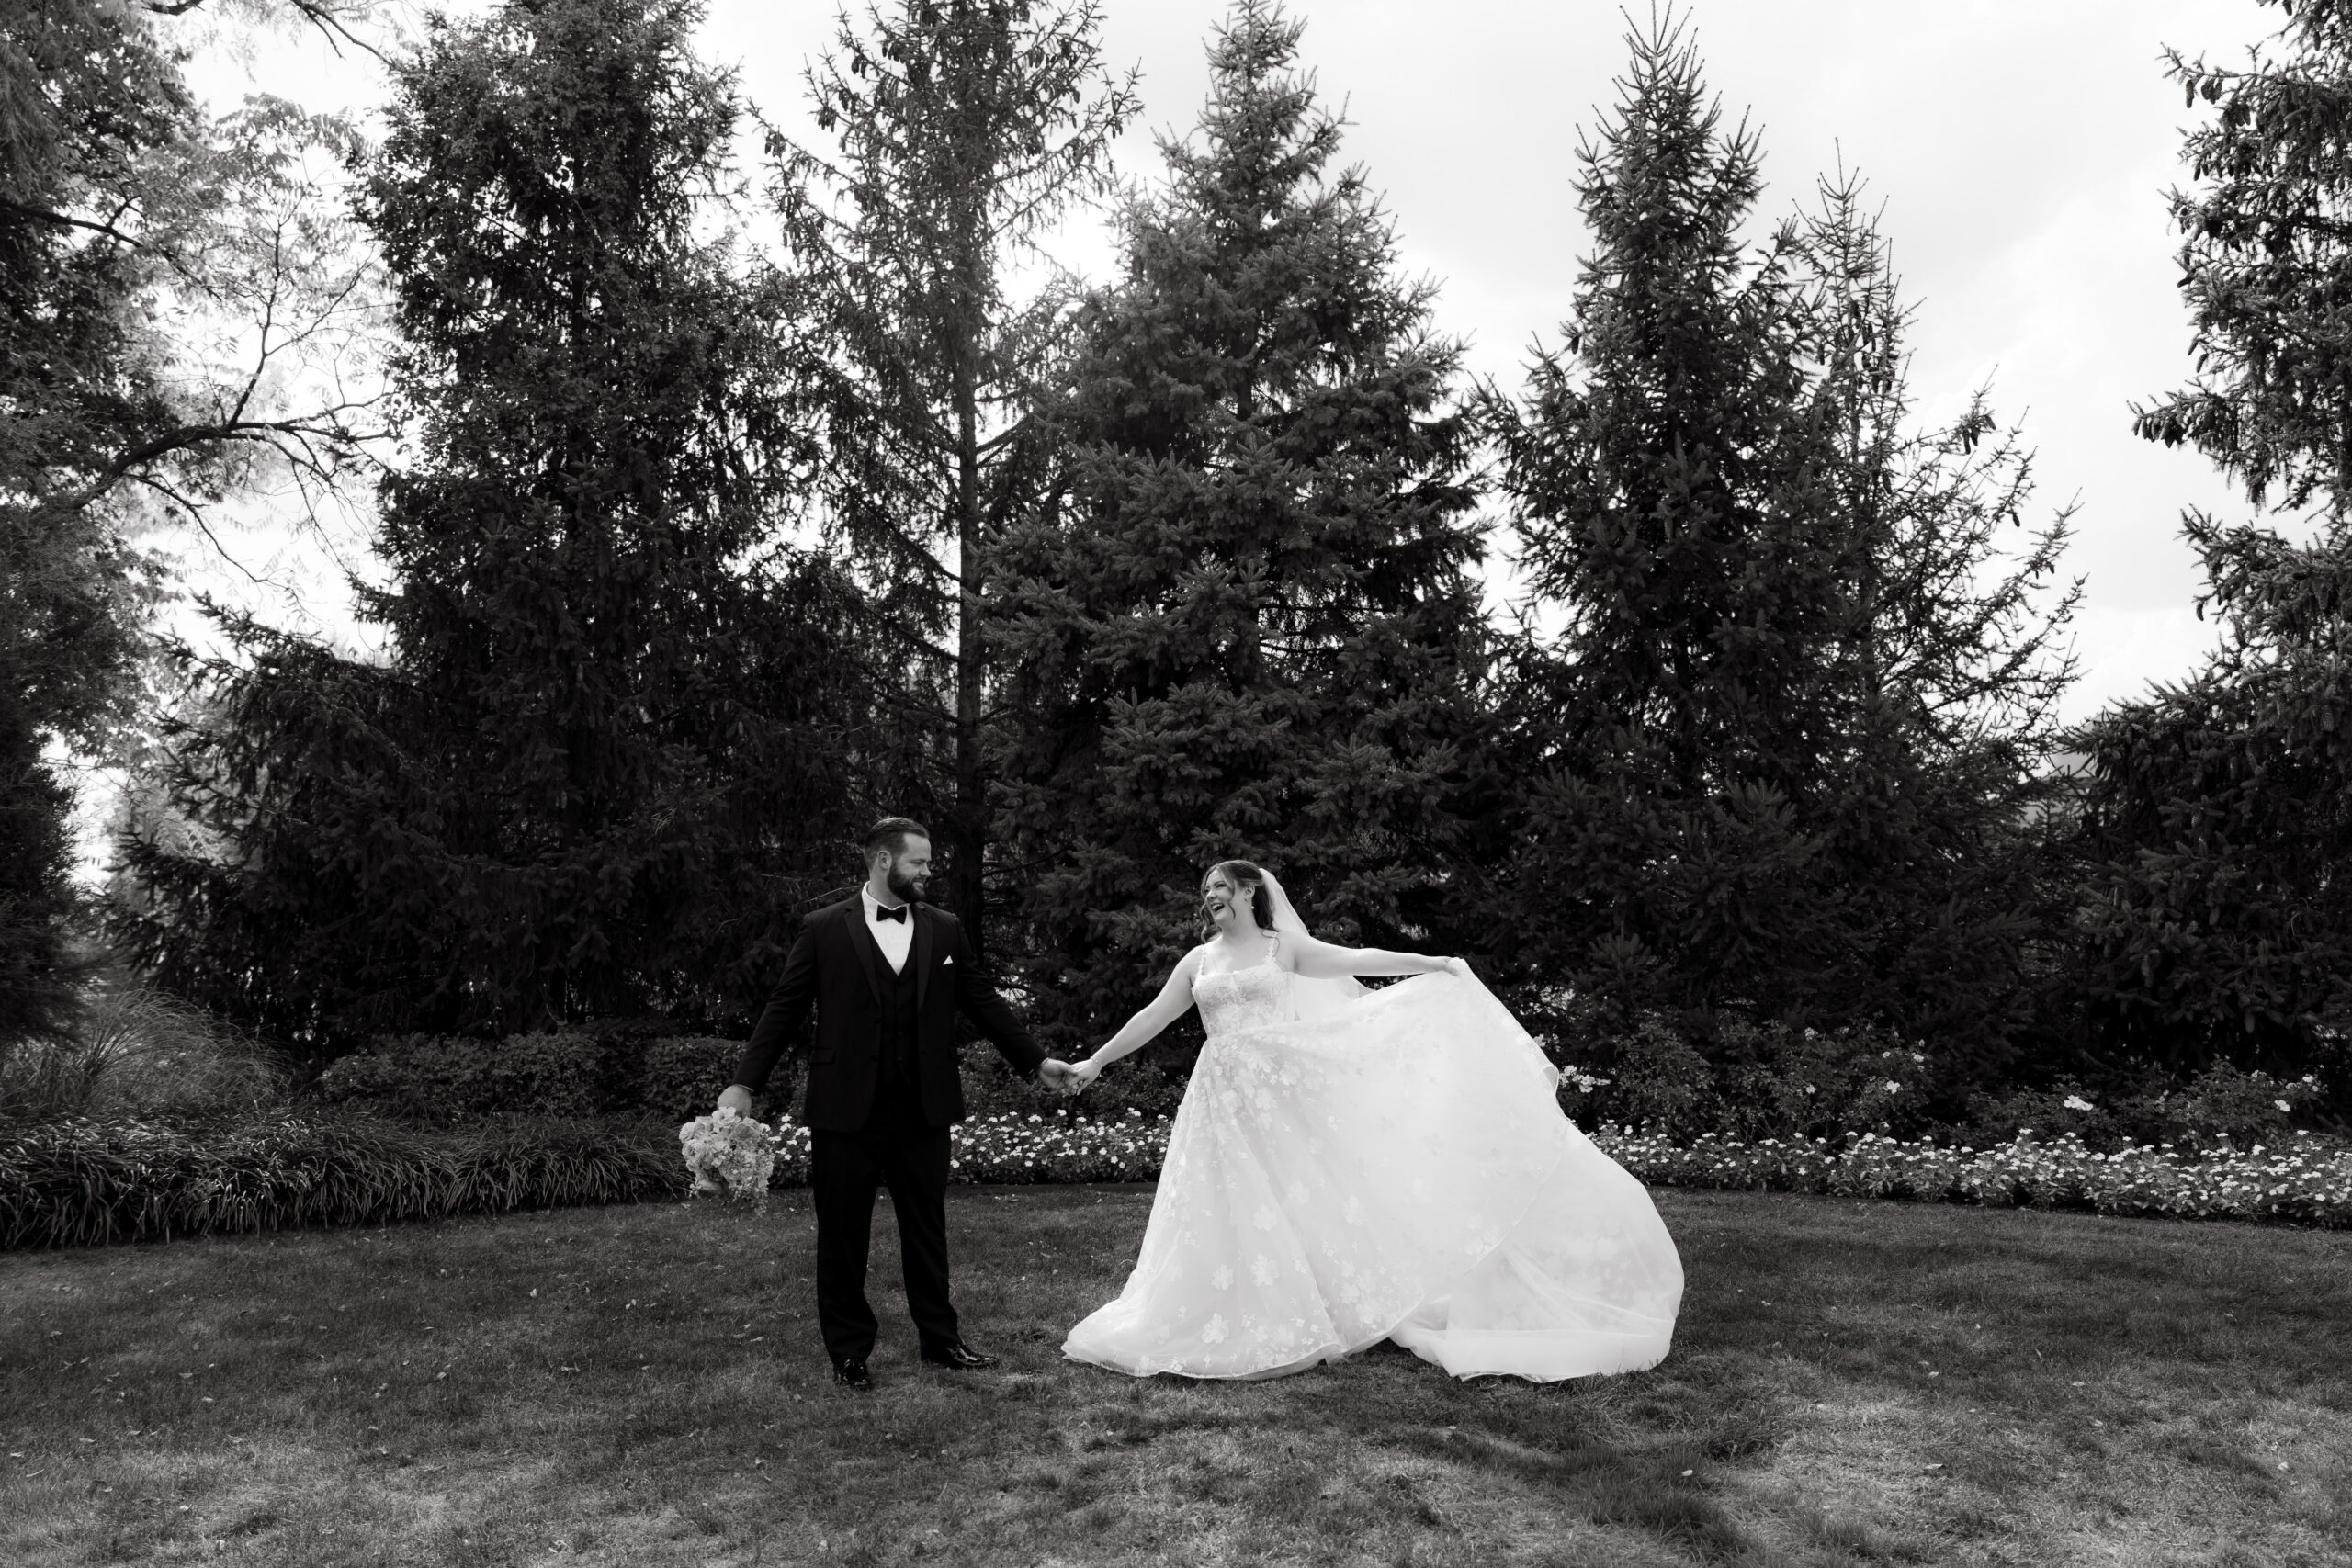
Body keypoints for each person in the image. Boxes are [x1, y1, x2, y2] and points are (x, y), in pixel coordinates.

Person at [1059, 861, 1683, 1382]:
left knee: (1300, 1198)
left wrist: (1430, 962)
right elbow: (1152, 1016)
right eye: (1206, 892)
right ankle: (1223, 1304)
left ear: (1250, 892)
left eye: (1220, 886)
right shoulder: (1199, 961)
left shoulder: (1285, 949)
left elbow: (1357, 956)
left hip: (1281, 1097)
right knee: (1222, 1204)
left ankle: (1313, 1303)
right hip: (1220, 1102)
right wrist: (1095, 1060)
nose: (1211, 897)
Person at [717, 818, 1077, 1389]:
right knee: (842, 1235)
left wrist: (1035, 1061)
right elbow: (783, 1009)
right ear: (884, 862)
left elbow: (982, 1000)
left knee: (927, 1229)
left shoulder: (945, 929)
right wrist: (744, 1084)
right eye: (920, 863)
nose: (929, 872)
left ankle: (941, 1341)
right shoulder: (822, 928)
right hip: (844, 1110)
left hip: (923, 1107)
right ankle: (849, 1352)